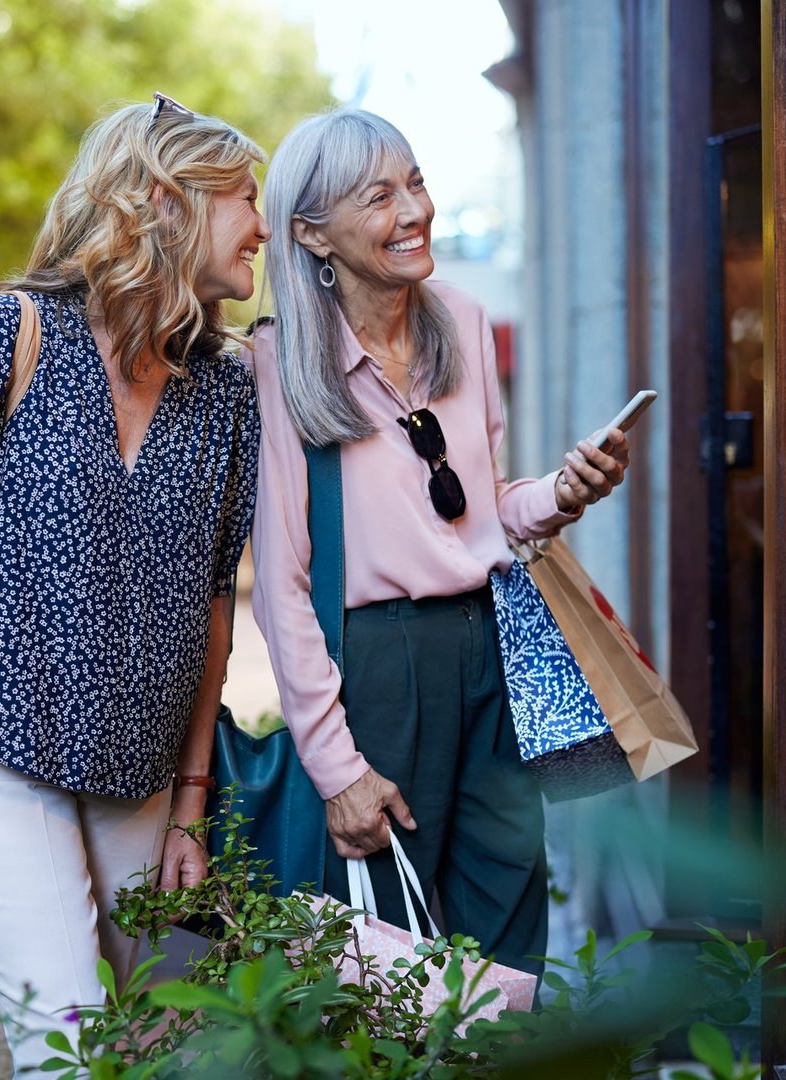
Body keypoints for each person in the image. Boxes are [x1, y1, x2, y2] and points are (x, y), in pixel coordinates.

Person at [0, 94, 269, 1074]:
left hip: (140, 768)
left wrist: (189, 803)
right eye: (245, 197)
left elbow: (215, 605)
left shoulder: (228, 389)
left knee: (155, 1039)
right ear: (169, 202)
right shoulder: (13, 333)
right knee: (71, 1048)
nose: (262, 223)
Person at [250, 108, 631, 975]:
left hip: (488, 646)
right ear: (312, 233)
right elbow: (282, 585)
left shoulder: (459, 317)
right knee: (388, 942)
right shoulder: (277, 365)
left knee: (508, 907)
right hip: (382, 671)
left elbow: (481, 507)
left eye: (414, 181)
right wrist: (336, 765)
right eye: (378, 196)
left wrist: (562, 494)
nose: (413, 209)